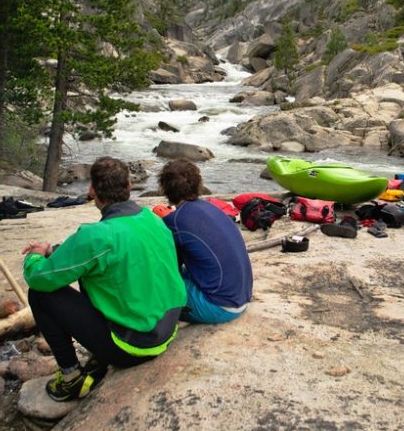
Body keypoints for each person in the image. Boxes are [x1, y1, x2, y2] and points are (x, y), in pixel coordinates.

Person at [21, 156, 186, 402]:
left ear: (92, 191)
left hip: (134, 347)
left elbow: (39, 278)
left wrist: (35, 256)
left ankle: (71, 378)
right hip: (166, 330)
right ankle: (99, 356)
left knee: (40, 295)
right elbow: (101, 251)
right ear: (129, 187)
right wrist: (55, 251)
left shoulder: (97, 236)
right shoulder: (153, 219)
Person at [158, 159, 253, 324]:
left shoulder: (176, 221)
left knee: (153, 285)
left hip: (220, 306)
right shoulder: (212, 207)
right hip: (241, 295)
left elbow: (168, 266)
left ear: (166, 190)